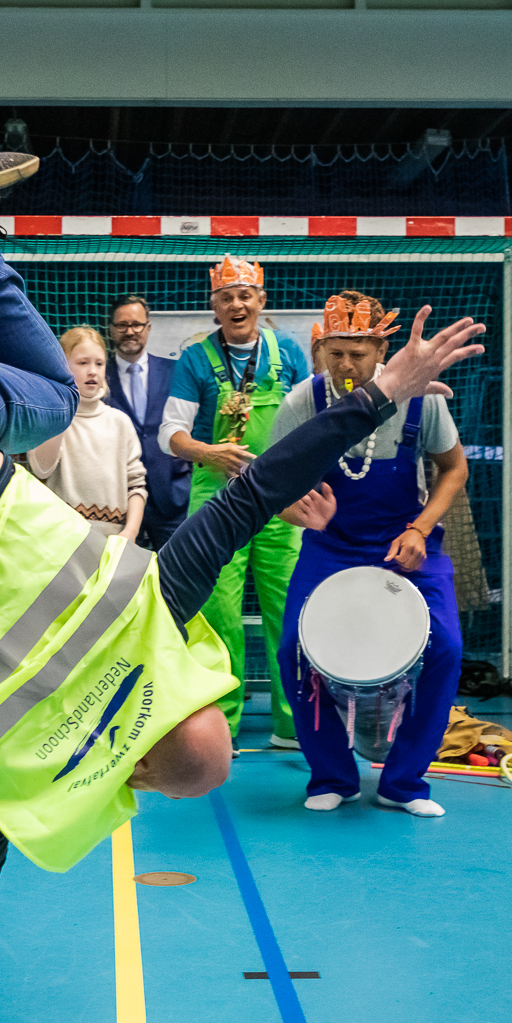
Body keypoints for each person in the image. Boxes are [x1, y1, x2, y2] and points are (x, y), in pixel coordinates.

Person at [0, 125, 482, 1023]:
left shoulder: (149, 608)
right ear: (133, 766)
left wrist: (379, 392)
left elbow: (249, 492)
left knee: (60, 396)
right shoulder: (3, 742)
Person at [270, 292, 467, 817]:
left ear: (382, 348)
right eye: (335, 352)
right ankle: (333, 774)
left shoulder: (423, 399)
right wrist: (298, 514)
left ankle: (404, 782)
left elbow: (455, 469)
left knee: (445, 647)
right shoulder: (303, 402)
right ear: (320, 350)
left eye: (358, 352)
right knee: (293, 648)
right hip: (330, 546)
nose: (347, 364)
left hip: (408, 541)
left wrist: (422, 529)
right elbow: (269, 487)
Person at [158, 253, 310, 747]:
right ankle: (224, 726)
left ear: (261, 301)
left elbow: (310, 425)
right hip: (215, 501)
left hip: (280, 500)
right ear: (214, 307)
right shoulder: (195, 359)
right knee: (218, 612)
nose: (236, 304)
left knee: (287, 606)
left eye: (245, 295)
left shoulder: (288, 354)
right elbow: (169, 434)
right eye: (226, 298)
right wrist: (208, 451)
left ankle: (293, 725)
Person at [28, 325, 147, 540]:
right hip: (60, 539)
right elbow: (41, 469)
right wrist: (59, 408)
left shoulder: (120, 422)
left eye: (99, 363)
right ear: (61, 367)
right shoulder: (52, 419)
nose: (92, 370)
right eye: (82, 363)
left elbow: (136, 485)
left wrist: (130, 532)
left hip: (113, 540)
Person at [103, 295, 188, 548]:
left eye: (136, 325)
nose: (130, 331)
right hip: (119, 500)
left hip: (172, 497)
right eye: (122, 325)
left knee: (175, 576)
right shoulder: (98, 377)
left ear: (148, 328)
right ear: (111, 329)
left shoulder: (176, 371)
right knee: (123, 578)